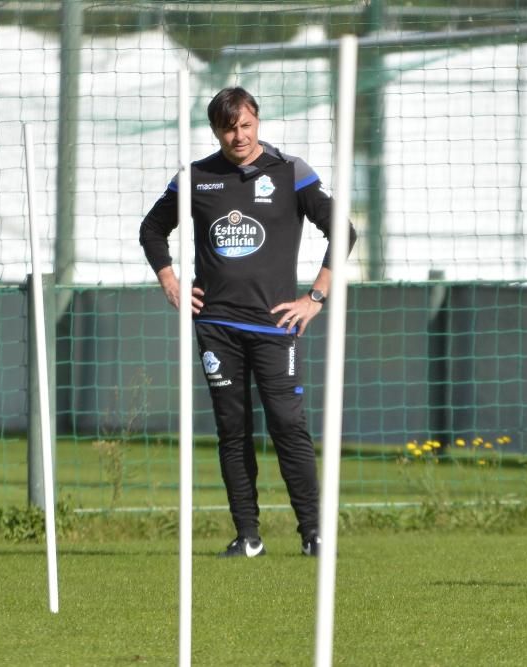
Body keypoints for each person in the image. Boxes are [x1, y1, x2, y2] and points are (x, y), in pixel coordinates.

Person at [139, 87, 356, 558]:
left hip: (276, 326)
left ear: (257, 120)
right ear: (215, 130)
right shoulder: (197, 177)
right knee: (231, 429)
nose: (238, 136)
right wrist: (172, 283)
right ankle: (248, 535)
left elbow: (344, 230)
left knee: (287, 425)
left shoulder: (289, 172)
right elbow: (152, 230)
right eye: (227, 128)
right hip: (216, 325)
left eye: (245, 125)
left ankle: (314, 533)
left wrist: (316, 296)